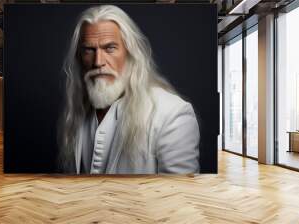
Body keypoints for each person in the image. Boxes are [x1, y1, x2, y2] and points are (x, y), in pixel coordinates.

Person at [58, 5, 200, 174]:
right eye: (89, 50)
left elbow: (177, 195)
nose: (98, 62)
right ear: (80, 58)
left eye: (110, 48)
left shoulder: (172, 114)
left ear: (131, 53)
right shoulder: (78, 113)